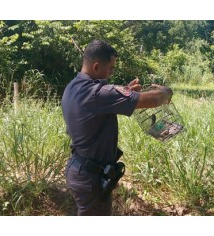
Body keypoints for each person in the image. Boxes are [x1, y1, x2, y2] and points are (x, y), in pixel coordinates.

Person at [61, 39, 172, 216]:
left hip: (79, 168)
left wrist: (126, 90)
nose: (111, 73)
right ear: (96, 67)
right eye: (110, 69)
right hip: (90, 176)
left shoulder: (73, 87)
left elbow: (99, 106)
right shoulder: (98, 93)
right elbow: (154, 100)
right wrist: (167, 91)